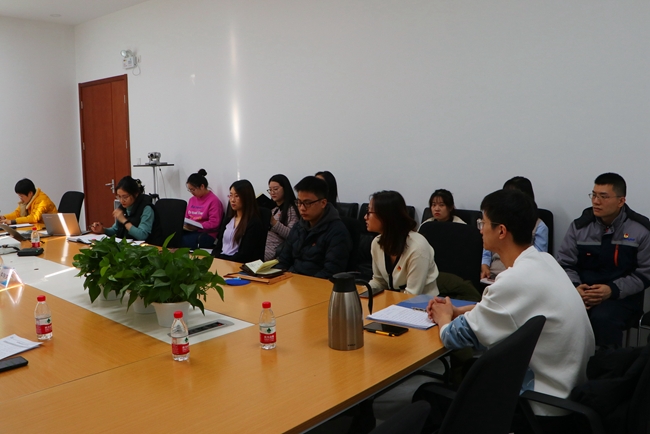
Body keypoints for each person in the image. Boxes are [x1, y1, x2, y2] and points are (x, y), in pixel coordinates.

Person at [423, 189, 594, 430]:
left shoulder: (514, 280)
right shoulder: (544, 261)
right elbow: (508, 310)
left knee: (427, 397)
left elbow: (454, 337)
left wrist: (443, 317)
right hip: (570, 390)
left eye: (483, 223)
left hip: (541, 406)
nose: (480, 229)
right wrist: (460, 312)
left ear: (501, 231)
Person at [557, 172, 650, 348]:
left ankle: (607, 365)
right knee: (557, 313)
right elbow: (565, 263)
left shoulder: (640, 230)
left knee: (603, 319)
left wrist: (611, 290)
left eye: (603, 196)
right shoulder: (579, 227)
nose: (596, 201)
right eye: (594, 195)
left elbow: (645, 273)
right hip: (582, 293)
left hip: (621, 298)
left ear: (621, 201)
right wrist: (576, 288)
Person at [366, 190, 439, 295]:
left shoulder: (418, 248)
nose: (365, 217)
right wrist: (361, 293)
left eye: (369, 212)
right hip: (393, 300)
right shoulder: (377, 243)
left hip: (422, 302)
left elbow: (412, 294)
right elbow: (379, 282)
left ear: (385, 216)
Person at [277, 176, 351, 278]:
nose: (302, 208)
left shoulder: (337, 231)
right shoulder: (298, 226)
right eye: (299, 202)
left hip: (316, 284)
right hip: (292, 281)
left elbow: (331, 272)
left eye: (307, 203)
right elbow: (283, 260)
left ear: (323, 203)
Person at [480, 176, 548, 280]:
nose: (481, 231)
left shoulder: (517, 277)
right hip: (493, 274)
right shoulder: (551, 263)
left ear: (502, 231)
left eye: (484, 223)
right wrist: (485, 266)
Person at [90, 176, 161, 242]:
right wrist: (102, 230)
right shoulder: (123, 207)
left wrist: (124, 221)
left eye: (125, 197)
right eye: (119, 196)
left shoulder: (146, 208)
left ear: (135, 194)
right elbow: (115, 230)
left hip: (147, 247)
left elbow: (142, 235)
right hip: (127, 245)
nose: (121, 200)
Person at [212, 179, 266, 262]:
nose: (232, 200)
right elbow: (218, 245)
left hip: (236, 264)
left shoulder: (253, 222)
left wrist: (223, 260)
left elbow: (244, 254)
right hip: (222, 260)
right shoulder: (228, 219)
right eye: (231, 195)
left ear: (246, 198)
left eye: (237, 196)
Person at [181, 169, 224, 249]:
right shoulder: (192, 200)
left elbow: (214, 223)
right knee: (171, 236)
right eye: (189, 190)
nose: (191, 192)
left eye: (193, 189)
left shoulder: (214, 201)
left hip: (206, 234)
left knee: (181, 240)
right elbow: (187, 217)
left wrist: (198, 226)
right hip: (191, 230)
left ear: (202, 186)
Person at [264, 174, 299, 261]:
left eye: (275, 189)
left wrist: (274, 222)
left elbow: (291, 235)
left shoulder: (292, 209)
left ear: (285, 189)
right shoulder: (274, 210)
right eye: (270, 190)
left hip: (273, 249)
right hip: (262, 244)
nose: (272, 192)